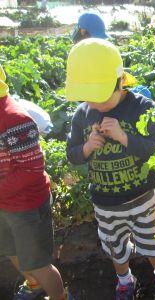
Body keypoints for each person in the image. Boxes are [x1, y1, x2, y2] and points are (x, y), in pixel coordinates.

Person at [65, 38, 155, 300]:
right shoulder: (82, 114)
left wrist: (124, 137)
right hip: (104, 203)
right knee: (114, 246)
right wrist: (86, 148)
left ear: (119, 82)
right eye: (87, 97)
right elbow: (72, 155)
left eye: (99, 97)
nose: (93, 104)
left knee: (153, 242)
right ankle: (125, 281)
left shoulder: (142, 108)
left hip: (141, 197)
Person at [0, 65, 72, 300]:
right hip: (5, 203)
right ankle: (33, 284)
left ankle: (59, 296)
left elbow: (31, 171)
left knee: (39, 262)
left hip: (26, 206)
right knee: (10, 250)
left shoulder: (15, 119)